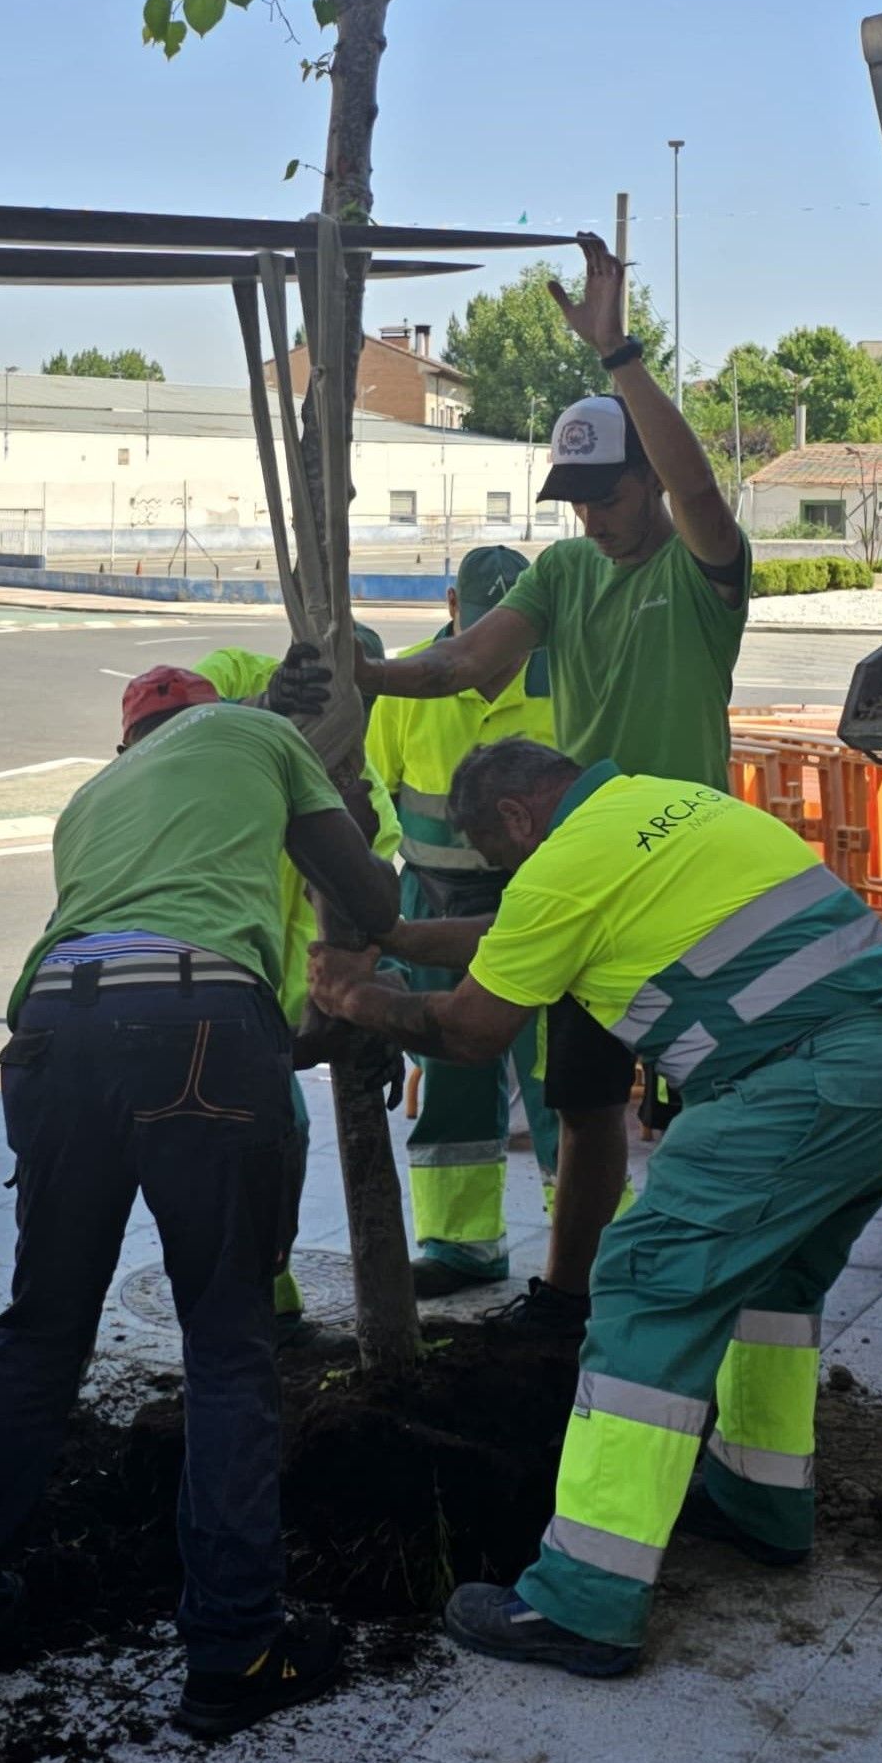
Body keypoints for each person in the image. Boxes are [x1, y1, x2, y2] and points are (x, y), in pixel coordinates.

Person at [309, 737, 882, 1677]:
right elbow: (529, 927)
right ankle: (761, 1499)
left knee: (643, 1283)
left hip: (802, 1082)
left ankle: (585, 1600)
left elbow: (468, 1027)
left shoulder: (562, 867)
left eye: (505, 864)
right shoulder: (663, 804)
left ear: (515, 818)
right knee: (774, 1281)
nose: (512, 881)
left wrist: (358, 995)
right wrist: (409, 939)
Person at [0, 667, 399, 1736]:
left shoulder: (92, 798)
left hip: (51, 1030)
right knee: (225, 1344)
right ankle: (234, 1645)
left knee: (38, 1331)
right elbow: (371, 897)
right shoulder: (259, 735)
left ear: (132, 741)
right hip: (205, 1026)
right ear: (216, 710)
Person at [358, 232, 751, 1337]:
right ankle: (566, 1295)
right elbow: (465, 661)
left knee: (706, 1101)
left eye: (604, 490)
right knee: (584, 1101)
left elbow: (697, 487)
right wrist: (367, 671)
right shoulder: (565, 571)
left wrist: (619, 350)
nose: (586, 512)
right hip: (584, 870)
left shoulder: (699, 564)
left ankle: (704, 1285)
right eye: (570, 494)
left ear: (644, 482)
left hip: (686, 869)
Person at [194, 629, 402, 1345]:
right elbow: (172, 730)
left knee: (278, 1138)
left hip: (270, 1006)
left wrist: (370, 1010)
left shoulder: (357, 784)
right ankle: (241, 1309)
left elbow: (363, 919)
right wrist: (262, 707)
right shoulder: (237, 677)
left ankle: (263, 1304)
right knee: (245, 1147)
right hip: (201, 979)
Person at [365, 546, 558, 1294]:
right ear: (452, 607)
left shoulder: (566, 682)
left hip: (538, 903)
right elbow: (372, 797)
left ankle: (585, 1254)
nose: (492, 659)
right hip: (434, 902)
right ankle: (461, 1245)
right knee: (449, 1074)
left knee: (556, 1084)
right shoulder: (407, 683)